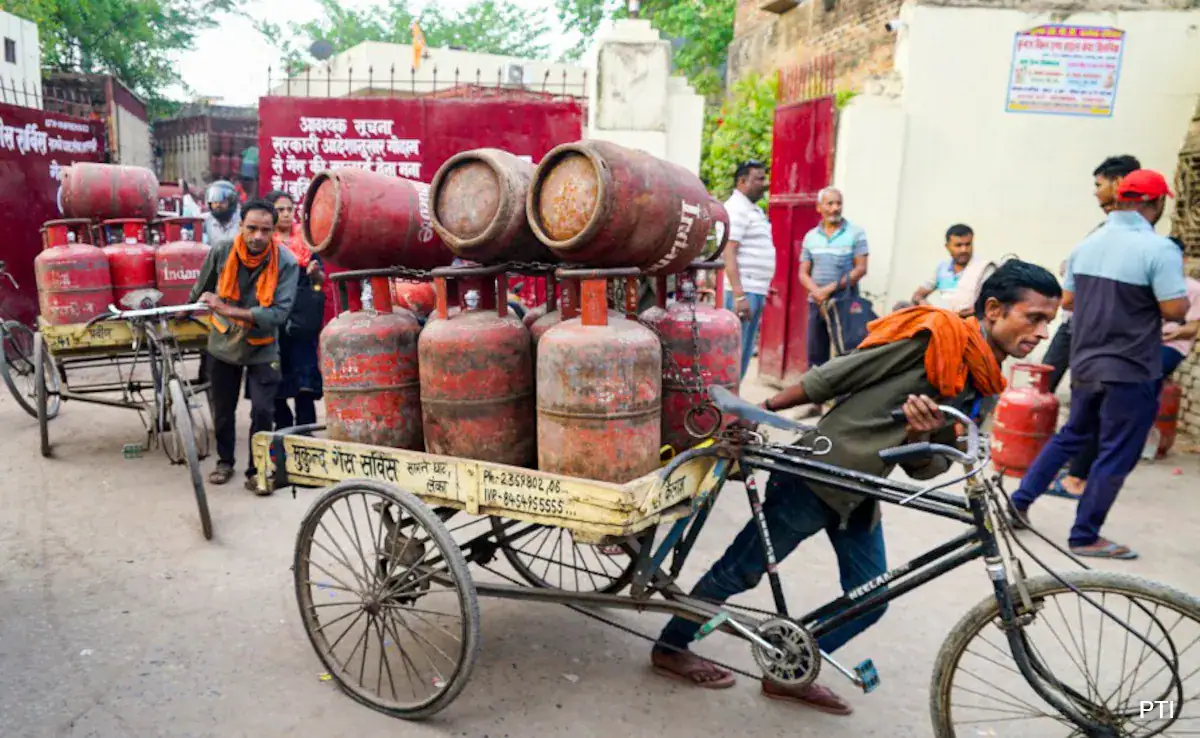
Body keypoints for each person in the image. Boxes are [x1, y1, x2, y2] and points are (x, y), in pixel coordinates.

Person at [650, 260, 1063, 715]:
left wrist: (919, 435)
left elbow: (924, 470)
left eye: (1050, 321)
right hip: (817, 474)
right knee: (739, 571)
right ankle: (671, 646)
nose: (1043, 332)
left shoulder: (985, 378)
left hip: (863, 490)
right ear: (993, 309)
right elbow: (842, 373)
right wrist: (755, 409)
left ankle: (790, 666)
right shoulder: (937, 338)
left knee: (871, 597)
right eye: (1035, 317)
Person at [1009, 170, 1190, 559]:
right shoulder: (1159, 250)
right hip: (1132, 369)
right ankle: (1085, 535)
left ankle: (1018, 503)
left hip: (1086, 361)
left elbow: (1069, 301)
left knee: (1070, 437)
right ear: (1155, 204)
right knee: (1116, 451)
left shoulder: (1087, 246)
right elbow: (1175, 308)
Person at [1053, 236, 1200, 498]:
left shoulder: (1190, 288)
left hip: (1166, 348)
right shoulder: (1144, 281)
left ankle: (1080, 474)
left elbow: (1192, 327)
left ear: (1182, 260)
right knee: (1098, 402)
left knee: (1113, 403)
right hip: (1133, 349)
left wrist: (1172, 334)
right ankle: (1080, 468)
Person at [189, 199, 299, 492]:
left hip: (263, 346)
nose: (258, 236)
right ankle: (225, 462)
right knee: (223, 410)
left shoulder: (286, 262)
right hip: (223, 344)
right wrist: (182, 313)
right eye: (252, 228)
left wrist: (225, 309)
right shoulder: (222, 251)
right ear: (241, 226)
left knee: (263, 411)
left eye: (265, 230)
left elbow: (278, 314)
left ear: (274, 231)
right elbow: (201, 290)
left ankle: (257, 469)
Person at [1042, 155, 1141, 392]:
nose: (1095, 193)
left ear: (1117, 183)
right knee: (1044, 383)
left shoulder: (1133, 236)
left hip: (1094, 325)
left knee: (1084, 391)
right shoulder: (1105, 229)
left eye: (1099, 185)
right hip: (1075, 321)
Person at [267, 190, 326, 429]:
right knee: (276, 375)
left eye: (290, 209)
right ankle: (283, 430)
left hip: (302, 319)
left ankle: (306, 433)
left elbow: (320, 281)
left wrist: (315, 275)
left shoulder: (307, 240)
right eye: (280, 210)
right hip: (274, 316)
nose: (286, 214)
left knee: (305, 379)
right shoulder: (264, 243)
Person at [798, 187, 869, 368]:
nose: (835, 208)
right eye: (830, 203)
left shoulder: (856, 233)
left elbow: (860, 269)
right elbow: (803, 273)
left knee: (847, 354)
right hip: (817, 303)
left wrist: (827, 290)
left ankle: (844, 396)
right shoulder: (811, 237)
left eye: (839, 203)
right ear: (819, 207)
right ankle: (816, 395)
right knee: (815, 355)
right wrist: (817, 293)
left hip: (845, 302)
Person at [723, 160, 776, 381]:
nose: (765, 184)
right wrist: (739, 294)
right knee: (735, 352)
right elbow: (729, 250)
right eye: (759, 179)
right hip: (743, 290)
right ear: (742, 182)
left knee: (743, 352)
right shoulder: (736, 208)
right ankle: (727, 408)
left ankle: (734, 405)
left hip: (754, 288)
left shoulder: (752, 209)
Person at [910, 224, 992, 317]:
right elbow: (917, 296)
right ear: (947, 247)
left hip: (969, 323)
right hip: (940, 320)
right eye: (958, 245)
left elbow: (987, 305)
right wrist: (923, 304)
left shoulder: (984, 269)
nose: (964, 249)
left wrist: (954, 315)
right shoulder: (942, 268)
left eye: (968, 244)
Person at [203, 180, 242, 251]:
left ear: (231, 201)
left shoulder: (243, 220)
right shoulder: (205, 220)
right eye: (214, 201)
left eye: (222, 201)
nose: (218, 205)